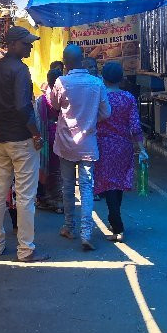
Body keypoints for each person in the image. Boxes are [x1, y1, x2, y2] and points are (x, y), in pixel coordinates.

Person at [0, 26, 48, 262]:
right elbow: (23, 107)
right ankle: (26, 249)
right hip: (21, 139)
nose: (30, 46)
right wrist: (35, 134)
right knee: (25, 195)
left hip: (1, 138)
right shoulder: (21, 70)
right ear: (12, 44)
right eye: (26, 43)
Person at [49, 44, 111, 251]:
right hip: (88, 144)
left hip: (66, 143)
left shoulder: (61, 82)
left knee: (67, 187)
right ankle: (86, 233)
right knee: (86, 187)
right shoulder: (96, 83)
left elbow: (55, 106)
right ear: (82, 58)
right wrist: (91, 121)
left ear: (65, 62)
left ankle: (69, 227)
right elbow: (106, 113)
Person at [95, 62, 147, 242]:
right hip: (124, 146)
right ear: (122, 78)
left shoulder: (99, 97)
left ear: (103, 78)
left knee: (108, 184)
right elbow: (135, 126)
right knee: (117, 184)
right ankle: (114, 220)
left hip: (103, 145)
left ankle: (117, 226)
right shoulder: (128, 98)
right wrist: (141, 148)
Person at [35, 68, 63, 212]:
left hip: (47, 137)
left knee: (48, 169)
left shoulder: (43, 99)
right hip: (63, 136)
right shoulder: (65, 96)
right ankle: (58, 201)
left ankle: (48, 199)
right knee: (60, 171)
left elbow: (38, 120)